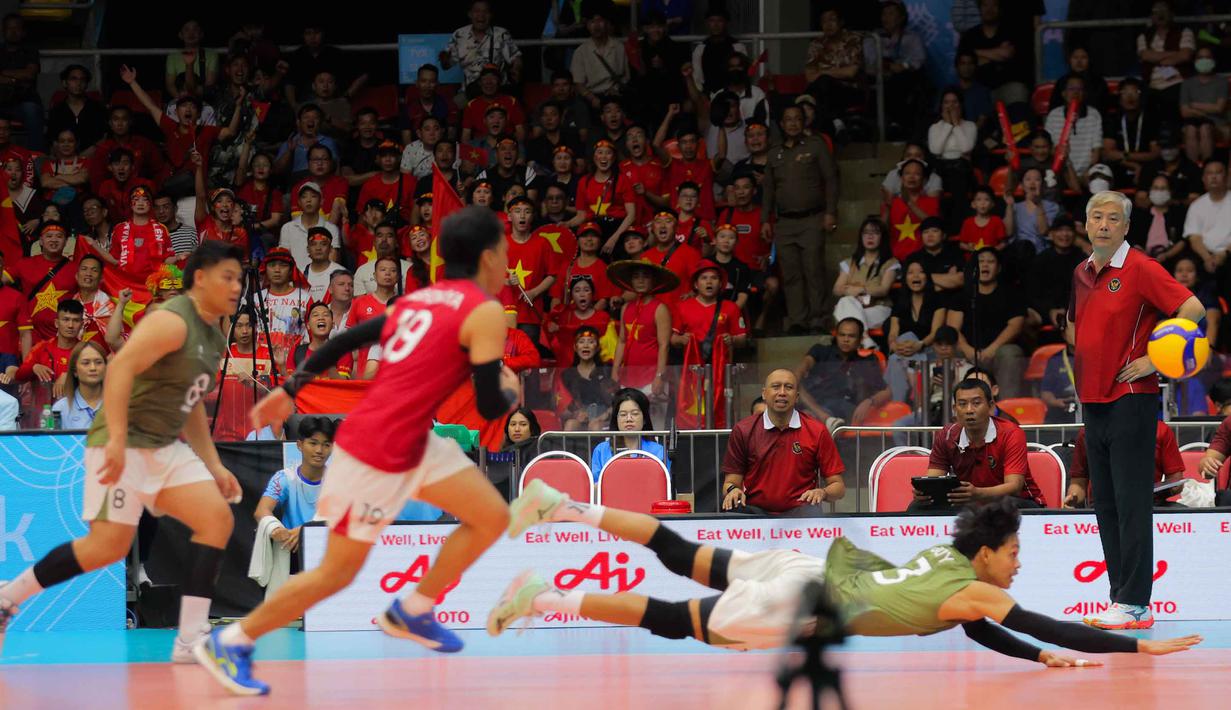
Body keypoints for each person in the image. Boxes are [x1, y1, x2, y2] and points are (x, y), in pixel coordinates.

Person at [196, 207, 519, 695]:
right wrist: (510, 390)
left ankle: (412, 608)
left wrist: (294, 384)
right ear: (490, 256)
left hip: (409, 438)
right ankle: (233, 640)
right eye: (506, 252)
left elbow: (351, 336)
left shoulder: (422, 299)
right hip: (381, 448)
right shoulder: (486, 309)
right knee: (338, 572)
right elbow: (492, 403)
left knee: (492, 515)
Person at [493, 484, 1202, 658]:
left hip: (809, 565)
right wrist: (1135, 645)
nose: (1017, 564)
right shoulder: (976, 586)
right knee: (674, 621)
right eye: (1014, 552)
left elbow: (977, 629)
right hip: (804, 598)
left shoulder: (947, 564)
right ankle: (546, 596)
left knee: (679, 554)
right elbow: (1054, 625)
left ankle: (562, 507)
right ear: (986, 553)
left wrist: (1033, 658)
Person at [0, 241, 245, 662]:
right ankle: (8, 598)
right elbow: (120, 369)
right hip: (125, 440)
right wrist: (115, 439)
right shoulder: (171, 321)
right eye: (228, 277)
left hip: (165, 446)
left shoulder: (213, 339)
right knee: (106, 548)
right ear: (200, 279)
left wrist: (215, 464)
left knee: (216, 518)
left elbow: (189, 409)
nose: (237, 286)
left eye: (239, 279)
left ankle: (189, 640)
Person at [1069, 190, 1204, 630]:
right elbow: (1077, 328)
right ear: (1086, 224)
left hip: (1131, 399)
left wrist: (1155, 359)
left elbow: (1193, 307)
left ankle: (1135, 602)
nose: (1103, 224)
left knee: (1131, 504)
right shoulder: (1082, 271)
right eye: (1096, 217)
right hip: (1093, 401)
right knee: (1104, 502)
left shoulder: (1142, 268)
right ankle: (1120, 599)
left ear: (1126, 227)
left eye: (1113, 218)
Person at [717, 368, 845, 516]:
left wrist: (822, 493)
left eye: (788, 387)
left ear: (796, 396)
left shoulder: (817, 430)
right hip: (754, 513)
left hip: (801, 514)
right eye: (776, 386)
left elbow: (838, 487)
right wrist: (733, 491)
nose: (782, 392)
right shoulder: (743, 430)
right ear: (764, 393)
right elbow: (730, 483)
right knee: (732, 515)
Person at [910, 379, 1045, 511]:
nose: (969, 410)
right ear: (954, 408)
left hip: (1020, 503)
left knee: (997, 507)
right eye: (962, 404)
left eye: (976, 403)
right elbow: (934, 478)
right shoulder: (947, 435)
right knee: (917, 507)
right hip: (970, 503)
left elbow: (1014, 487)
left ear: (991, 406)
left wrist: (978, 493)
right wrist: (925, 491)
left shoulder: (1011, 433)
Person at [762, 105, 838, 334]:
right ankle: (797, 320)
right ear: (782, 125)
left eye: (797, 119)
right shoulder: (774, 153)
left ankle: (818, 319)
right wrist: (765, 219)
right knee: (791, 273)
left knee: (813, 269)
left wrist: (831, 212)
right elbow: (768, 190)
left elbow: (832, 178)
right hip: (784, 223)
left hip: (812, 218)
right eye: (788, 119)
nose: (793, 123)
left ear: (804, 122)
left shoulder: (816, 146)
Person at [946, 248, 1026, 398]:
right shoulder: (962, 296)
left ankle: (1006, 407)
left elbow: (1016, 325)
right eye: (980, 261)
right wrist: (967, 349)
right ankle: (956, 406)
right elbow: (952, 329)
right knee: (948, 349)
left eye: (990, 261)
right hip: (968, 352)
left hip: (998, 352)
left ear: (999, 268)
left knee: (1011, 352)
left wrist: (992, 349)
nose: (985, 265)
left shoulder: (1011, 294)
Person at [254, 416, 338, 555]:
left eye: (326, 445)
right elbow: (261, 511)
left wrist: (306, 531)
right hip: (290, 552)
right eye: (313, 443)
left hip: (328, 553)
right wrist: (275, 529)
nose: (319, 450)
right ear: (299, 445)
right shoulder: (285, 478)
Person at [1064, 421, 1185, 509]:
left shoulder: (1160, 429)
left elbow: (1176, 481)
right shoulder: (1087, 433)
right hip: (1104, 507)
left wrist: (1169, 489)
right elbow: (1078, 483)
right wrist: (1073, 498)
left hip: (1151, 505)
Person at [796, 318, 890, 430]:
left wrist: (869, 401)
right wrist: (793, 381)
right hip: (816, 403)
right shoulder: (820, 351)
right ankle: (824, 418)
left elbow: (887, 391)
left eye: (851, 336)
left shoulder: (866, 361)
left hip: (844, 410)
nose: (846, 339)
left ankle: (820, 418)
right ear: (836, 336)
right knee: (795, 384)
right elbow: (801, 369)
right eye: (842, 335)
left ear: (860, 339)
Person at [609, 260, 674, 403]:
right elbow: (621, 341)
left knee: (654, 425)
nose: (640, 280)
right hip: (628, 376)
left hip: (651, 378)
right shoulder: (626, 307)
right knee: (629, 423)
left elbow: (664, 346)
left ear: (653, 281)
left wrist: (659, 376)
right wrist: (615, 369)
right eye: (636, 276)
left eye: (645, 276)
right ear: (631, 281)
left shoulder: (660, 308)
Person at [886, 262, 947, 404]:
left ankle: (898, 404)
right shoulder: (900, 302)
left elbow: (935, 332)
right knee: (901, 347)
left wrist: (919, 344)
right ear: (905, 278)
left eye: (920, 272)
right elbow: (893, 333)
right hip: (905, 352)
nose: (915, 276)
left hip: (928, 350)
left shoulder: (937, 300)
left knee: (896, 358)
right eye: (910, 272)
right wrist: (894, 346)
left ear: (927, 277)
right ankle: (918, 399)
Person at [831, 218, 898, 344]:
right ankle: (866, 340)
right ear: (861, 237)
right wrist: (851, 294)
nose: (870, 236)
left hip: (879, 308)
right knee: (846, 301)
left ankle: (863, 340)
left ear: (882, 237)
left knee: (845, 315)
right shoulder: (849, 262)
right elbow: (837, 289)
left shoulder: (891, 263)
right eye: (866, 233)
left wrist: (860, 289)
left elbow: (883, 289)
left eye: (875, 233)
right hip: (853, 307)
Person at [441, 1, 523, 95]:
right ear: (470, 14)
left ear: (491, 15)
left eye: (485, 11)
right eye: (477, 11)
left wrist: (516, 69)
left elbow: (516, 58)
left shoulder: (501, 34)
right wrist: (444, 59)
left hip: (498, 91)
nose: (481, 15)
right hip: (469, 92)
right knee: (456, 105)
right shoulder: (459, 34)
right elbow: (446, 66)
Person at [589, 387, 669, 481]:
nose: (629, 419)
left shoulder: (658, 451)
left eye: (635, 414)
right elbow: (595, 485)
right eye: (623, 415)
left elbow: (663, 485)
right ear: (616, 420)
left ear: (644, 419)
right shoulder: (601, 450)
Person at [957, 0, 1028, 105]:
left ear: (1000, 9)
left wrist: (975, 53)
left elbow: (1007, 54)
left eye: (994, 5)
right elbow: (964, 62)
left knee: (1019, 90)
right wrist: (997, 53)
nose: (989, 9)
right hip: (978, 88)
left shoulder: (1011, 31)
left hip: (1005, 86)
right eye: (985, 5)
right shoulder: (970, 35)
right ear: (979, 8)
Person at [1136, 1, 1194, 121]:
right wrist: (1174, 54)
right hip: (1151, 85)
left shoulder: (1184, 32)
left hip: (1177, 83)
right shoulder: (1144, 36)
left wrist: (1155, 56)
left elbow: (1185, 55)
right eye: (1156, 12)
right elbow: (1145, 56)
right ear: (1151, 16)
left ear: (1172, 14)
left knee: (1174, 103)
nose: (1160, 15)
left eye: (1164, 11)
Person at [10, 299, 83, 392]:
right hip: (43, 406)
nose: (70, 325)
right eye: (66, 319)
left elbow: (98, 377)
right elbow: (19, 376)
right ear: (56, 323)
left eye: (76, 320)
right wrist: (33, 367)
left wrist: (69, 376)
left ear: (82, 324)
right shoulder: (42, 347)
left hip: (75, 405)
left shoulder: (87, 351)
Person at [1027, 217, 1086, 332]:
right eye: (1060, 230)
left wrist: (1067, 309)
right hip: (1044, 310)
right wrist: (1050, 310)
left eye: (1069, 230)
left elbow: (1085, 292)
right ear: (1051, 234)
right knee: (1023, 320)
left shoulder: (1082, 260)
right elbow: (1032, 292)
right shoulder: (1040, 260)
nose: (1064, 234)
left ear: (1074, 235)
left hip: (1074, 311)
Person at [1043, 75, 1103, 178]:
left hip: (1087, 172)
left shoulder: (1094, 114)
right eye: (1071, 89)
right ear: (1063, 93)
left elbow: (1096, 151)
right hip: (1062, 169)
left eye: (1079, 89)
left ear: (1084, 93)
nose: (1076, 93)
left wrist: (1087, 172)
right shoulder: (1054, 115)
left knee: (1099, 180)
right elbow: (1050, 149)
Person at [557, 326, 615, 432]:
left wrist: (603, 416)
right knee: (570, 425)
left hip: (605, 418)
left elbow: (619, 401)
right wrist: (576, 414)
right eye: (581, 341)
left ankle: (598, 449)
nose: (586, 345)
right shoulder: (567, 375)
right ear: (575, 347)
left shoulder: (607, 370)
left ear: (597, 347)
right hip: (580, 417)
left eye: (591, 342)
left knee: (595, 426)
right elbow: (561, 405)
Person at [1183, 160, 1231, 283]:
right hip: (1204, 256)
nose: (1214, 177)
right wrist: (1207, 258)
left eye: (1218, 172)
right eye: (1210, 173)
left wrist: (1224, 254)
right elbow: (1194, 238)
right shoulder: (1197, 205)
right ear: (1204, 178)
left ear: (1226, 176)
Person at [928, 89, 977, 204]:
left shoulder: (970, 125)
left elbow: (966, 148)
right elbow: (936, 150)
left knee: (958, 175)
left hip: (962, 169)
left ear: (960, 105)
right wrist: (948, 125)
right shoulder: (934, 127)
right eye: (946, 102)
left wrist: (955, 124)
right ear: (941, 106)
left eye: (954, 102)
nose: (951, 106)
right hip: (941, 167)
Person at [1179, 47, 1227, 165]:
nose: (1204, 60)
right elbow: (1184, 112)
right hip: (1192, 123)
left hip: (1216, 125)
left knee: (1205, 128)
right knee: (1191, 130)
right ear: (1195, 61)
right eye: (1200, 57)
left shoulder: (1221, 82)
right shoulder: (1187, 83)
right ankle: (1193, 172)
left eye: (1207, 57)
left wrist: (1195, 105)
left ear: (1213, 61)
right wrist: (1207, 110)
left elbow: (1219, 108)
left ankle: (1207, 167)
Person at [887, 161, 940, 263]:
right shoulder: (893, 203)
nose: (911, 177)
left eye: (917, 174)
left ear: (924, 180)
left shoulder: (932, 202)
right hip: (896, 259)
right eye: (907, 173)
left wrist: (909, 204)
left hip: (923, 258)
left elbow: (933, 225)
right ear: (901, 178)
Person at [571, 10, 628, 103]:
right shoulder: (580, 51)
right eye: (592, 22)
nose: (596, 26)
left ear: (607, 23)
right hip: (592, 96)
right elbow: (578, 83)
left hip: (615, 95)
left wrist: (616, 89)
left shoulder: (619, 47)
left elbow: (625, 77)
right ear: (587, 26)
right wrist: (592, 99)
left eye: (600, 21)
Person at [47, 64, 107, 152]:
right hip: (64, 159)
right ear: (64, 83)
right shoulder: (57, 110)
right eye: (73, 79)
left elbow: (104, 137)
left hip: (93, 157)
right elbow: (52, 140)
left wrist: (89, 153)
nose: (78, 83)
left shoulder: (97, 108)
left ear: (86, 84)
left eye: (82, 79)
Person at [1128, 174, 1187, 260]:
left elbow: (1183, 240)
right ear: (1150, 190)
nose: (1159, 192)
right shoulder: (1140, 215)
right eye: (1155, 188)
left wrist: (1167, 255)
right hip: (1142, 259)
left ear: (1170, 191)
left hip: (1171, 260)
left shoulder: (1178, 214)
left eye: (1163, 188)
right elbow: (1132, 239)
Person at [50, 340, 106, 429]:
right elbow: (51, 442)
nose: (93, 368)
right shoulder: (60, 408)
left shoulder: (121, 405)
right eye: (86, 363)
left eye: (98, 362)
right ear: (75, 371)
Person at [958, 186, 1008, 253]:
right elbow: (961, 244)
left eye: (986, 199)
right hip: (972, 260)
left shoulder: (997, 221)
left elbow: (1004, 243)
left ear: (992, 204)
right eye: (979, 199)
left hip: (991, 260)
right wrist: (970, 248)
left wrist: (992, 251)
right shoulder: (968, 222)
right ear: (973, 204)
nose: (982, 203)